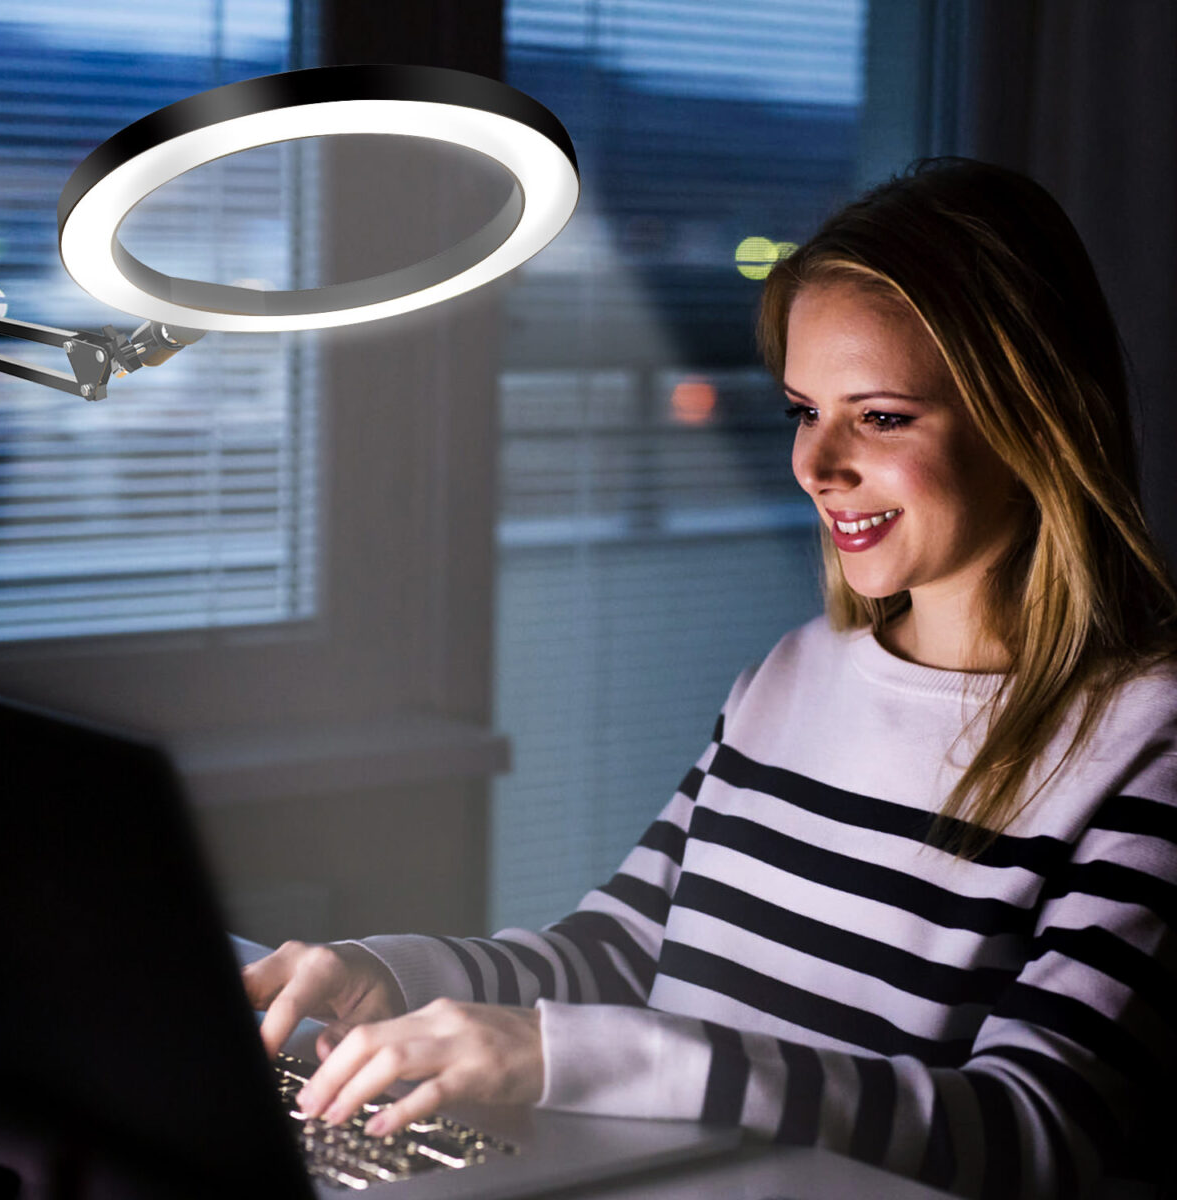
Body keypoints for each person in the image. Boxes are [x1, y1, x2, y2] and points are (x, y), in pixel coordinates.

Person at [242, 158, 1177, 1199]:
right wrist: (394, 978)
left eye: (879, 417)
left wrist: (570, 1056)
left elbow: (1035, 1134)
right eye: (800, 411)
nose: (817, 465)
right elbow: (626, 948)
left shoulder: (1149, 739)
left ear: (1031, 415)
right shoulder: (787, 677)